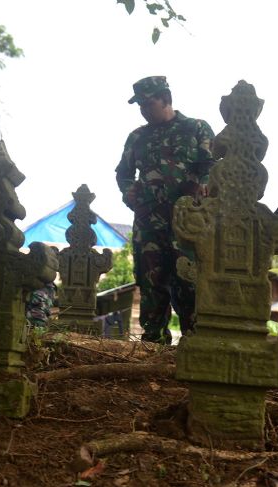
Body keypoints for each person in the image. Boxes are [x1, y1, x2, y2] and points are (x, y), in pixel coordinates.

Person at [115, 76, 215, 344]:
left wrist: (203, 186)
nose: (144, 110)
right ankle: (153, 346)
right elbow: (123, 173)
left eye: (149, 104)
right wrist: (128, 192)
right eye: (140, 106)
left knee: (189, 283)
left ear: (166, 99)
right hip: (149, 225)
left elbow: (212, 166)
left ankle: (195, 343)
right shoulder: (137, 137)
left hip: (188, 224)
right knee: (151, 285)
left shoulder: (196, 129)